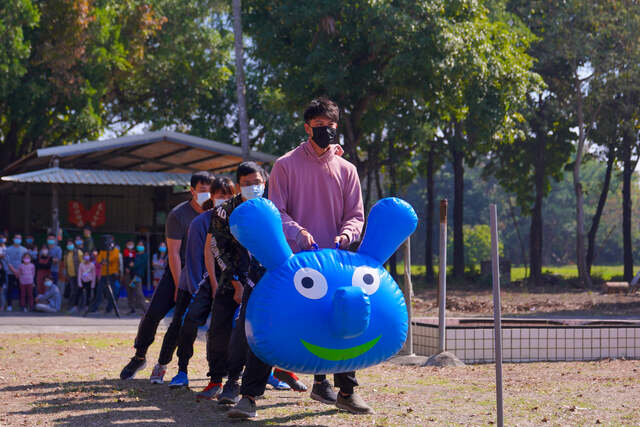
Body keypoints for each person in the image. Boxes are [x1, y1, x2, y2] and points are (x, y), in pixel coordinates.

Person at [266, 97, 369, 415]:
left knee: (345, 322)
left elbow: (356, 214)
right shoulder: (285, 165)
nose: (326, 131)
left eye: (331, 126)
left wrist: (348, 235)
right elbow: (275, 211)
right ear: (307, 127)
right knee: (312, 322)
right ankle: (318, 380)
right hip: (300, 263)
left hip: (338, 261)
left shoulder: (347, 169)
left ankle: (347, 390)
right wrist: (298, 231)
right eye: (320, 126)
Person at [119, 171, 213, 381]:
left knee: (184, 324)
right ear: (192, 190)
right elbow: (173, 253)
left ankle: (182, 367)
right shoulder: (178, 215)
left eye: (210, 191)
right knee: (153, 314)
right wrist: (180, 287)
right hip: (178, 273)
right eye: (203, 191)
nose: (208, 195)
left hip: (206, 274)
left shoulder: (217, 213)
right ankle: (139, 355)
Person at [165, 176, 235, 390]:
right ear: (212, 197)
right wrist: (204, 287)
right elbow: (195, 259)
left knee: (235, 330)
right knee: (189, 323)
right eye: (220, 196)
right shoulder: (200, 222)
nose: (225, 200)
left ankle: (236, 375)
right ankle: (182, 370)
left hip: (233, 280)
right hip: (204, 281)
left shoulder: (240, 219)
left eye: (229, 196)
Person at [86, 236, 120, 314]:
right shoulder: (103, 250)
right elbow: (98, 259)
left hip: (112, 274)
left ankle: (110, 308)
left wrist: (105, 261)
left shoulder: (115, 250)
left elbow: (113, 259)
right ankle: (94, 308)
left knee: (111, 292)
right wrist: (103, 261)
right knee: (99, 291)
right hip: (104, 274)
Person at [5, 234, 28, 312]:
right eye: (16, 238)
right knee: (10, 289)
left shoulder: (24, 250)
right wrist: (14, 271)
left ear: (21, 239)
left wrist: (19, 271)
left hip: (22, 273)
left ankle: (22, 306)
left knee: (22, 290)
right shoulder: (8, 249)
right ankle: (9, 305)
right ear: (13, 239)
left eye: (19, 238)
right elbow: (8, 262)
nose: (18, 239)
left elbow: (26, 262)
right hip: (10, 273)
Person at [127, 241, 148, 315]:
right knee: (131, 292)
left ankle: (146, 310)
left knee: (139, 293)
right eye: (138, 244)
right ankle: (132, 308)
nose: (139, 246)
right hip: (132, 276)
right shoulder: (135, 254)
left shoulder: (145, 255)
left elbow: (138, 264)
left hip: (138, 276)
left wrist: (133, 265)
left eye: (141, 245)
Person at [62, 239, 83, 305]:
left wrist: (82, 274)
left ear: (74, 245)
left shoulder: (78, 252)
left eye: (70, 244)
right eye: (68, 244)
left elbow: (82, 263)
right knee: (73, 290)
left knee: (77, 290)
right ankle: (73, 304)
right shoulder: (66, 253)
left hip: (78, 275)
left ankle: (76, 305)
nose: (69, 245)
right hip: (70, 275)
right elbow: (65, 264)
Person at [0, 234, 9, 310]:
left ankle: (3, 305)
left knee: (3, 290)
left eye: (3, 238)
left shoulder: (7, 248)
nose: (2, 239)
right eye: (0, 238)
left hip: (5, 271)